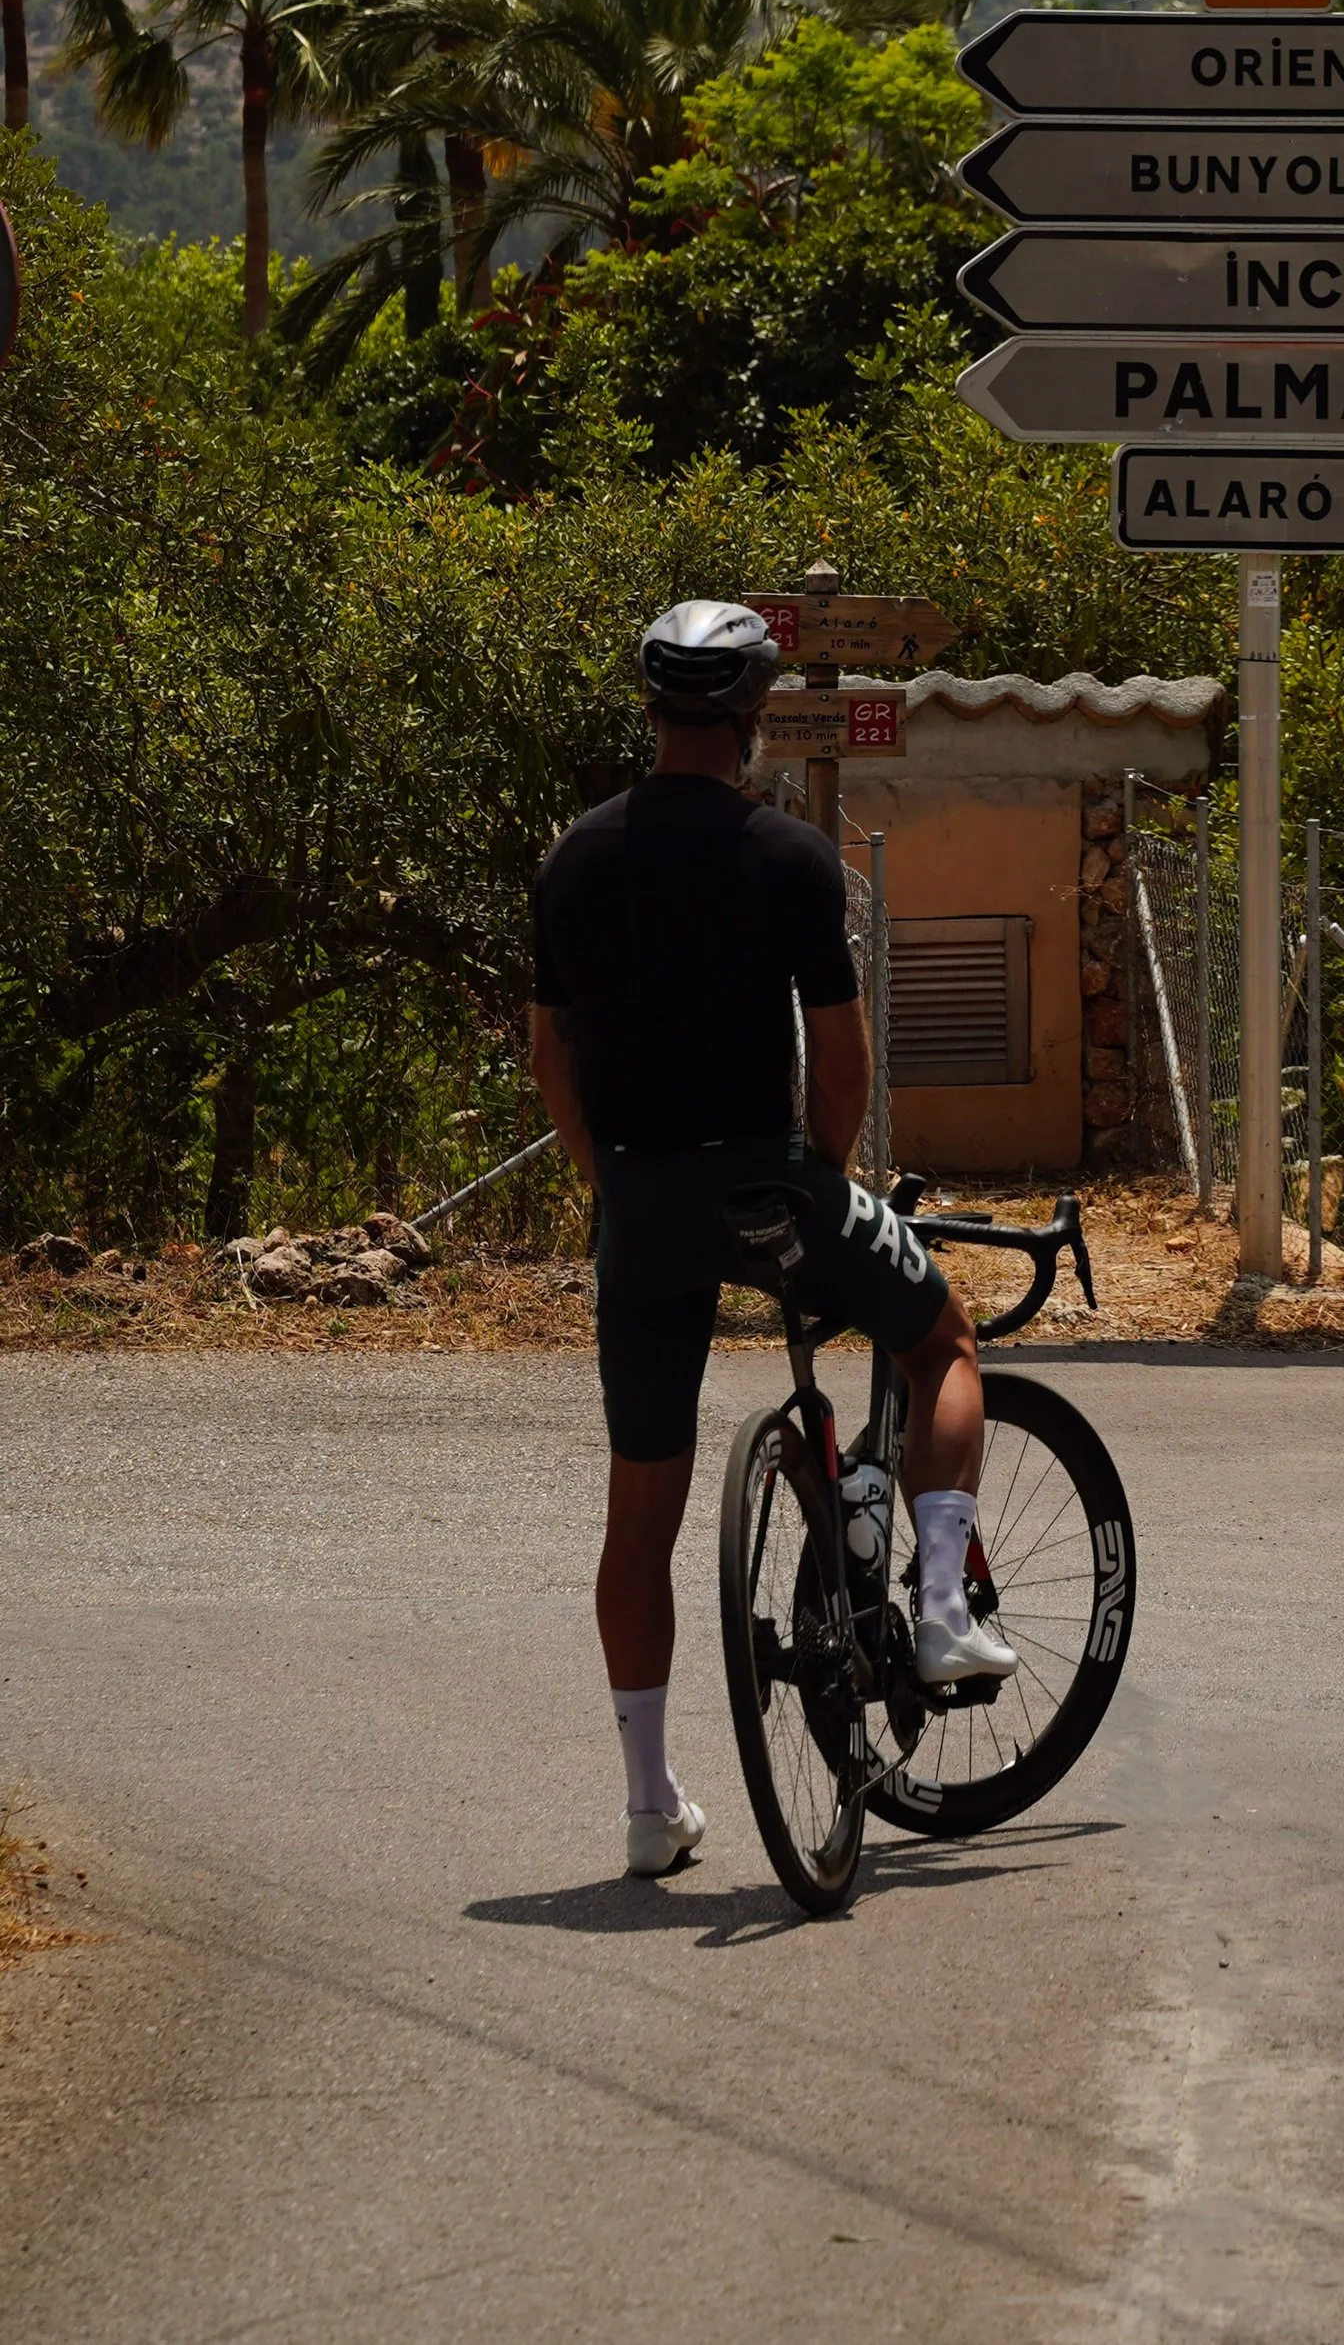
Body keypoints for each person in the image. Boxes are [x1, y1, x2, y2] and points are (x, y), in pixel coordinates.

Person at [529, 598, 1014, 1881]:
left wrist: (610, 1186)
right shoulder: (789, 858)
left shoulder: (572, 860)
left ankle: (648, 1805)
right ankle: (946, 1615)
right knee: (943, 1339)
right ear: (751, 719)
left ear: (649, 711)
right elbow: (841, 1058)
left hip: (640, 1201)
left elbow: (550, 1055)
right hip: (772, 1185)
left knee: (641, 1513)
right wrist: (826, 1183)